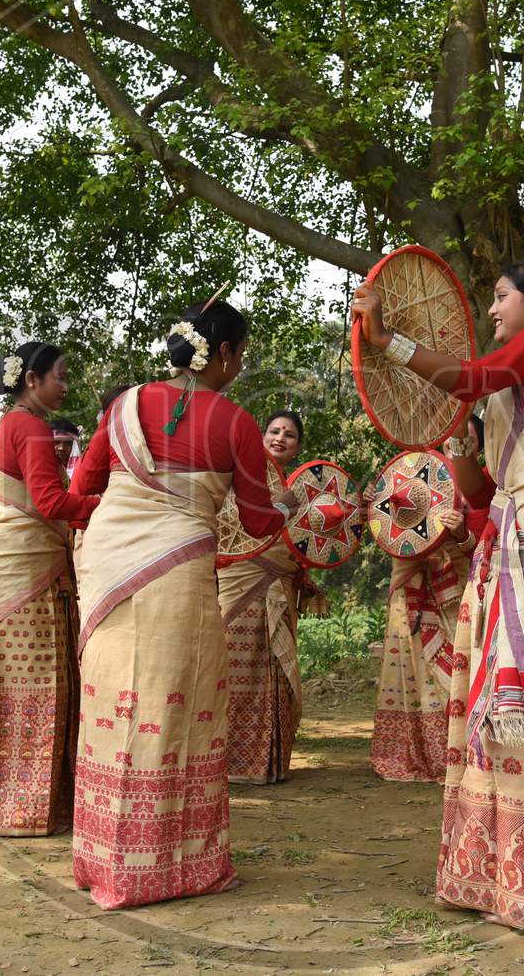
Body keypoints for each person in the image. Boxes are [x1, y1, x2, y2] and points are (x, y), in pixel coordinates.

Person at [351, 260, 524, 940]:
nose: (492, 310)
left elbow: (466, 379)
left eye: (500, 298)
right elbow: (481, 480)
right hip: (520, 538)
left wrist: (386, 342)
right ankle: (494, 876)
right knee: (495, 711)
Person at [70, 299, 296, 909]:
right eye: (241, 354)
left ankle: (103, 861)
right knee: (175, 705)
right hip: (179, 575)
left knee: (114, 706)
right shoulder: (235, 422)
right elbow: (254, 518)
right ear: (223, 353)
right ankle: (169, 865)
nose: (241, 365)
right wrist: (295, 515)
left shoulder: (122, 407)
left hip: (108, 568)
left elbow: (83, 488)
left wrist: (128, 522)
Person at [0, 342, 99, 835]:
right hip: (23, 571)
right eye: (60, 375)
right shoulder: (32, 427)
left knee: (0, 683)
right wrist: (117, 503)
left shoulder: (2, 425)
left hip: (0, 563)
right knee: (35, 684)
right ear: (32, 379)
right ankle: (22, 806)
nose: (66, 385)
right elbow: (51, 500)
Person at [368, 442, 484, 783]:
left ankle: (459, 753)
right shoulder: (407, 484)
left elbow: (484, 548)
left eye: (464, 441)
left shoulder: (482, 488)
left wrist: (461, 533)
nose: (456, 447)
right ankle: (416, 753)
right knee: (412, 674)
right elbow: (390, 533)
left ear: (475, 446)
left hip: (455, 595)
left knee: (455, 673)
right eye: (448, 444)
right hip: (410, 593)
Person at [219, 409, 324, 785]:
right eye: (274, 431)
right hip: (240, 582)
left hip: (279, 587)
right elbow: (228, 521)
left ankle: (267, 764)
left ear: (297, 447)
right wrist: (278, 505)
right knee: (233, 673)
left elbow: (304, 542)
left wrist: (299, 570)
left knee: (275, 672)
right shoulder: (242, 471)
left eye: (290, 435)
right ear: (262, 436)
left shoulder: (301, 490)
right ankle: (228, 763)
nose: (280, 438)